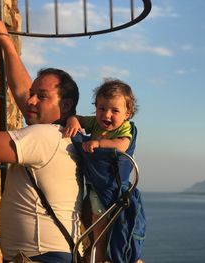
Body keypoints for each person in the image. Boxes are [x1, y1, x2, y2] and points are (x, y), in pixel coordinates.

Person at [0, 17, 83, 263]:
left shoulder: (46, 136)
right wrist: (5, 41)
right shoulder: (63, 136)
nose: (31, 101)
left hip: (42, 257)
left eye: (42, 96)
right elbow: (21, 91)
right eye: (32, 94)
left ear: (66, 105)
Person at [64, 79, 138, 262]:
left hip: (106, 187)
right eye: (101, 108)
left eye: (115, 110)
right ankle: (93, 254)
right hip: (92, 185)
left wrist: (99, 143)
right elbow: (78, 119)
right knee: (89, 224)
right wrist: (73, 121)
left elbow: (122, 145)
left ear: (127, 113)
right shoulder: (96, 123)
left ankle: (98, 258)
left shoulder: (125, 128)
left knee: (99, 229)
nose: (107, 115)